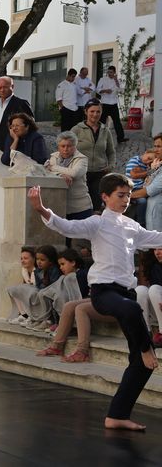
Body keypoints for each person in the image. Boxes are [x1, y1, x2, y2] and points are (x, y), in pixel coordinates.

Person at [29, 175, 162, 431]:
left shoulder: (132, 226)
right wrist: (41, 209)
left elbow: (156, 237)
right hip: (104, 293)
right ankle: (146, 347)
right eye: (120, 195)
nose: (125, 200)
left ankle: (117, 415)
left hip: (126, 294)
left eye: (127, 195)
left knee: (140, 365)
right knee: (135, 315)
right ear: (105, 196)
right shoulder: (97, 223)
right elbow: (67, 226)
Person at [45, 131, 92, 245]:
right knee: (62, 241)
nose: (66, 149)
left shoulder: (82, 159)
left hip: (80, 207)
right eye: (63, 146)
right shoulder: (54, 157)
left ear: (74, 147)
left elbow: (74, 173)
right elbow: (46, 173)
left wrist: (53, 167)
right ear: (58, 147)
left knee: (81, 244)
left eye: (69, 146)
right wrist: (60, 175)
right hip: (60, 206)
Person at [36, 298, 115, 363]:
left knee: (81, 308)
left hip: (120, 300)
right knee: (69, 306)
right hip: (104, 297)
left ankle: (82, 352)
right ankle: (57, 346)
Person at [72, 99, 116, 211]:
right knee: (81, 204)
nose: (95, 114)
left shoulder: (105, 130)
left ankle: (94, 226)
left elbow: (111, 151)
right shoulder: (77, 130)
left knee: (96, 204)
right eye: (92, 111)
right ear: (86, 112)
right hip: (81, 173)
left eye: (98, 111)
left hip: (99, 173)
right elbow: (67, 149)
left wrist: (111, 165)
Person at [6, 245, 61, 329]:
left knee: (39, 294)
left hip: (49, 294)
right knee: (20, 290)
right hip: (41, 291)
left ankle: (48, 320)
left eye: (42, 260)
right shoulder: (38, 271)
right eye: (38, 259)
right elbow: (38, 285)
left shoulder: (53, 270)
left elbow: (53, 285)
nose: (39, 262)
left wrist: (42, 286)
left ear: (50, 261)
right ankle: (31, 317)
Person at [0, 76, 33, 150]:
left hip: (16, 148)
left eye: (5, 87)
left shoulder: (21, 104)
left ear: (12, 86)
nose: (2, 90)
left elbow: (31, 125)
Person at [135, 249, 162, 347]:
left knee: (154, 288)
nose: (157, 253)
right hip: (158, 309)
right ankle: (146, 332)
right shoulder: (154, 267)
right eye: (155, 249)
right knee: (140, 289)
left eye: (161, 249)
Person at [6, 246, 36, 325]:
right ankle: (24, 315)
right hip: (30, 296)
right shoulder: (25, 270)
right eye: (21, 258)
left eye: (25, 258)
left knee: (20, 289)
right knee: (14, 289)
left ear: (33, 259)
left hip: (36, 297)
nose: (22, 261)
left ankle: (30, 317)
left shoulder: (37, 272)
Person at [96, 65, 126, 143]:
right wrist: (105, 90)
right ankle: (97, 137)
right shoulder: (102, 79)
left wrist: (116, 81)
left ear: (114, 73)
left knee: (117, 122)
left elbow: (121, 90)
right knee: (102, 122)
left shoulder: (117, 80)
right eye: (108, 72)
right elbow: (97, 90)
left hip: (113, 103)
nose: (109, 74)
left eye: (111, 72)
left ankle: (120, 138)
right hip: (105, 103)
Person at [126, 150, 154, 227]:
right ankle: (140, 223)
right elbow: (133, 175)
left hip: (142, 187)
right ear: (146, 152)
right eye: (149, 158)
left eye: (151, 161)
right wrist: (149, 171)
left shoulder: (147, 164)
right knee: (142, 201)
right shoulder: (134, 160)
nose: (148, 161)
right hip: (133, 188)